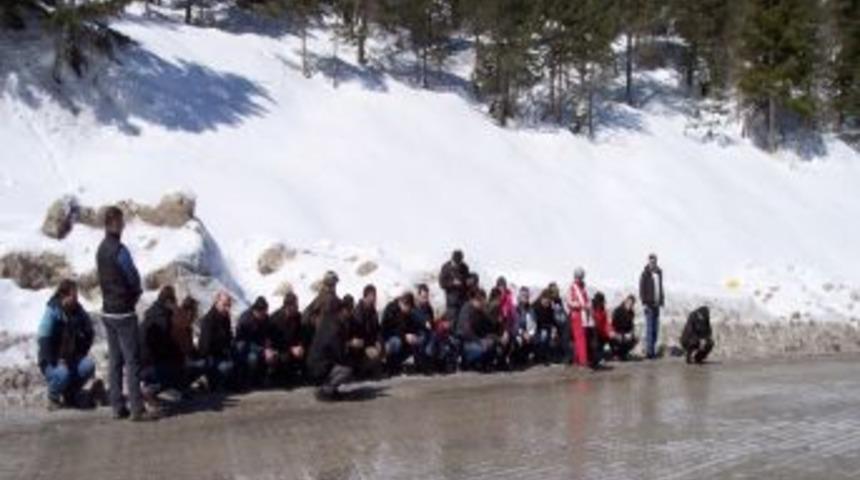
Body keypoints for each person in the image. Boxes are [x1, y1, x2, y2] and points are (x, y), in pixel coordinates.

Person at [96, 206, 152, 421]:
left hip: (108, 310)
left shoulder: (101, 249)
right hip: (124, 312)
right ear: (116, 224)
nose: (123, 225)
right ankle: (137, 408)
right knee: (132, 360)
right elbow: (132, 276)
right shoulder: (120, 250)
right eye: (121, 222)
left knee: (115, 360)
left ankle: (117, 406)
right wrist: (135, 293)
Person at [37, 279, 95, 410]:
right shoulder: (53, 311)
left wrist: (81, 352)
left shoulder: (78, 311)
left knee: (88, 365)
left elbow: (89, 332)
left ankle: (70, 393)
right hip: (51, 360)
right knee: (62, 373)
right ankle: (53, 396)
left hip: (71, 357)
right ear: (64, 296)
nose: (76, 299)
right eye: (73, 296)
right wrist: (55, 361)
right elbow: (43, 338)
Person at [140, 286, 184, 398]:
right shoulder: (162, 319)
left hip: (142, 362)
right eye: (174, 302)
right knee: (178, 369)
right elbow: (161, 347)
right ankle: (152, 389)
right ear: (168, 302)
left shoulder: (153, 312)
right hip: (148, 364)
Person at [307, 296, 353, 401]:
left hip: (317, 363)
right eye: (348, 310)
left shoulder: (329, 321)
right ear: (342, 310)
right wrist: (350, 345)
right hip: (319, 366)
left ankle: (330, 389)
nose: (349, 314)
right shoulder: (334, 326)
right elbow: (338, 353)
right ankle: (325, 390)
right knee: (346, 371)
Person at [266, 292, 307, 385]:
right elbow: (272, 339)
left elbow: (301, 334)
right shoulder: (275, 319)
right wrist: (290, 349)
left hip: (292, 348)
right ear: (288, 306)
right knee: (284, 358)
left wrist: (300, 346)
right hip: (278, 349)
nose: (297, 307)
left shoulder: (298, 317)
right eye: (295, 305)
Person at [198, 291, 236, 391]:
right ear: (217, 303)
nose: (227, 308)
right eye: (225, 305)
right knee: (227, 367)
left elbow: (228, 337)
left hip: (222, 353)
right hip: (211, 357)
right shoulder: (209, 320)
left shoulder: (225, 318)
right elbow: (205, 345)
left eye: (229, 305)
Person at [381, 292, 427, 373]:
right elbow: (389, 329)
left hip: (402, 337)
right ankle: (389, 365)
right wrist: (404, 336)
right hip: (388, 338)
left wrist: (413, 336)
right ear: (404, 304)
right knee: (397, 342)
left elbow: (411, 326)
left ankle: (397, 364)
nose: (409, 310)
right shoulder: (391, 309)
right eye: (408, 307)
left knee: (417, 341)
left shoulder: (407, 313)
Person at [345, 285, 383, 378]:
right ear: (367, 296)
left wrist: (378, 341)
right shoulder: (358, 311)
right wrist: (367, 346)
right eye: (373, 295)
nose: (374, 298)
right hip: (360, 346)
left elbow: (377, 329)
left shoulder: (373, 311)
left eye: (375, 295)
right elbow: (358, 334)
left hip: (370, 343)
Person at [171, 296, 207, 391]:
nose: (195, 315)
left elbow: (190, 348)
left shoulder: (186, 326)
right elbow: (182, 347)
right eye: (195, 312)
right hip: (176, 361)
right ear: (190, 312)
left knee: (203, 362)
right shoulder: (181, 325)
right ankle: (181, 385)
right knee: (202, 365)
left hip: (182, 359)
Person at [456, 289, 497, 371]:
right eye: (482, 301)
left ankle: (482, 364)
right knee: (485, 346)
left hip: (475, 339)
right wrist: (479, 341)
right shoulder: (467, 310)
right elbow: (466, 331)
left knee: (492, 342)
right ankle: (470, 363)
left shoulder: (479, 311)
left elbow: (489, 326)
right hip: (467, 342)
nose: (483, 304)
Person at [235, 296, 270, 388]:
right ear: (256, 311)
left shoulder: (265, 318)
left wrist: (268, 347)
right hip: (245, 348)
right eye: (262, 312)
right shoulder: (246, 320)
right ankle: (247, 381)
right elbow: (243, 342)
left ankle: (262, 379)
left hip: (258, 346)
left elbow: (267, 335)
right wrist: (262, 350)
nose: (264, 315)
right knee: (252, 358)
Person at [303, 271, 340, 344]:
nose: (333, 287)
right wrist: (316, 321)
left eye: (334, 284)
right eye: (331, 284)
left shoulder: (334, 299)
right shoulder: (321, 299)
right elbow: (306, 316)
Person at [639, 253, 664, 359]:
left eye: (654, 261)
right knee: (649, 328)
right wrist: (644, 303)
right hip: (649, 304)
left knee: (655, 328)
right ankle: (649, 352)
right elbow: (642, 289)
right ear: (648, 262)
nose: (653, 263)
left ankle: (652, 349)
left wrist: (662, 300)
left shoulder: (659, 273)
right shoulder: (645, 274)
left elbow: (660, 287)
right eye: (651, 261)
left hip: (657, 304)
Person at [567, 268, 592, 368]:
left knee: (581, 337)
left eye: (581, 277)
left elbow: (587, 300)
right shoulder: (572, 288)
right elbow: (569, 302)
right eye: (578, 277)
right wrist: (581, 305)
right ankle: (583, 360)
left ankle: (577, 359)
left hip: (584, 315)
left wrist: (588, 305)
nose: (579, 279)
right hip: (576, 315)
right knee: (580, 338)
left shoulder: (583, 288)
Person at [438, 250, 470, 324]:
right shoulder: (446, 267)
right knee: (453, 322)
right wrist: (452, 283)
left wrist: (468, 282)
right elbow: (442, 283)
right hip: (452, 303)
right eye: (456, 263)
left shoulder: (464, 267)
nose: (457, 265)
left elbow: (467, 280)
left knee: (463, 322)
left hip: (463, 301)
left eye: (459, 263)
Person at [510, 286, 536, 366]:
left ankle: (525, 357)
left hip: (527, 333)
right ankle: (515, 358)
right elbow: (515, 325)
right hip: (517, 333)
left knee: (531, 339)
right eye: (523, 296)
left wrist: (530, 334)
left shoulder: (530, 310)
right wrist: (522, 333)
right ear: (520, 296)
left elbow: (532, 324)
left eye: (527, 296)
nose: (525, 298)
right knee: (518, 340)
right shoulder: (516, 309)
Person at [532, 290, 560, 363]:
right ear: (542, 299)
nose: (547, 302)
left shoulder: (550, 309)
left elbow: (552, 320)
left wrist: (554, 328)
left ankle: (550, 355)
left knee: (554, 336)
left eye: (549, 301)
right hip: (538, 330)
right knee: (544, 335)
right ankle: (539, 356)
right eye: (546, 300)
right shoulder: (535, 308)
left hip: (547, 328)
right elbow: (535, 323)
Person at [610, 295, 639, 360]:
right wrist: (621, 334)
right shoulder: (618, 310)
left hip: (625, 333)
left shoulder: (631, 313)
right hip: (617, 332)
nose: (630, 305)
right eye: (629, 303)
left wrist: (631, 333)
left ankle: (623, 354)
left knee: (635, 338)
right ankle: (616, 354)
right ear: (626, 302)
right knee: (616, 338)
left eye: (632, 304)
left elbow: (631, 325)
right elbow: (614, 324)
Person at [590, 292, 611, 368]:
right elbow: (595, 319)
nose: (603, 303)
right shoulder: (593, 308)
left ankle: (599, 360)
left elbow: (605, 322)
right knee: (596, 344)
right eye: (602, 301)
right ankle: (597, 360)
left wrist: (607, 332)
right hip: (594, 329)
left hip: (601, 331)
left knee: (601, 344)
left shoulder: (602, 309)